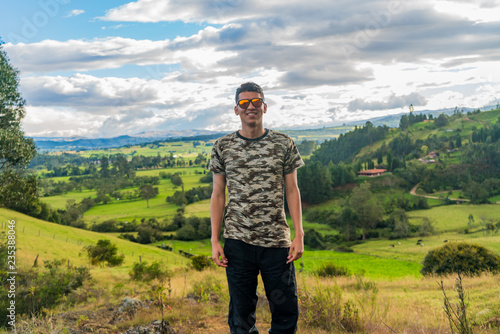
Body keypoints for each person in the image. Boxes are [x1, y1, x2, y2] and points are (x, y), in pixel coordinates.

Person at [210, 82, 305, 334]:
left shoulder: (283, 143)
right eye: (244, 103)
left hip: (276, 244)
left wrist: (299, 234)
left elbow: (292, 190)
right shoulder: (223, 146)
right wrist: (214, 240)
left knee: (285, 313)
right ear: (236, 110)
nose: (250, 107)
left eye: (255, 102)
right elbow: (218, 194)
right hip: (237, 243)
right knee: (241, 316)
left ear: (264, 106)